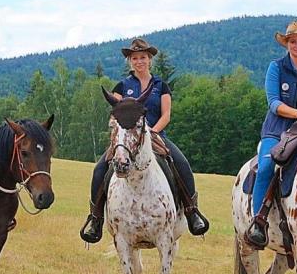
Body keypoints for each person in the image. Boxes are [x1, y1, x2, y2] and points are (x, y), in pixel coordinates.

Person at [80, 38, 209, 243]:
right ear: (130, 62)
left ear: (149, 59)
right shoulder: (122, 86)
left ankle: (192, 212)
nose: (139, 61)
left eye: (142, 57)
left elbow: (166, 115)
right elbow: (116, 114)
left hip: (155, 136)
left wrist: (152, 132)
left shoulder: (161, 86)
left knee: (182, 163)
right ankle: (96, 218)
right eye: (135, 58)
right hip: (126, 140)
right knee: (99, 169)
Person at [244, 21, 297, 248]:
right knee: (265, 167)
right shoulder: (276, 67)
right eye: (293, 41)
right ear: (287, 44)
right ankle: (258, 223)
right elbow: (274, 103)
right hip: (277, 130)